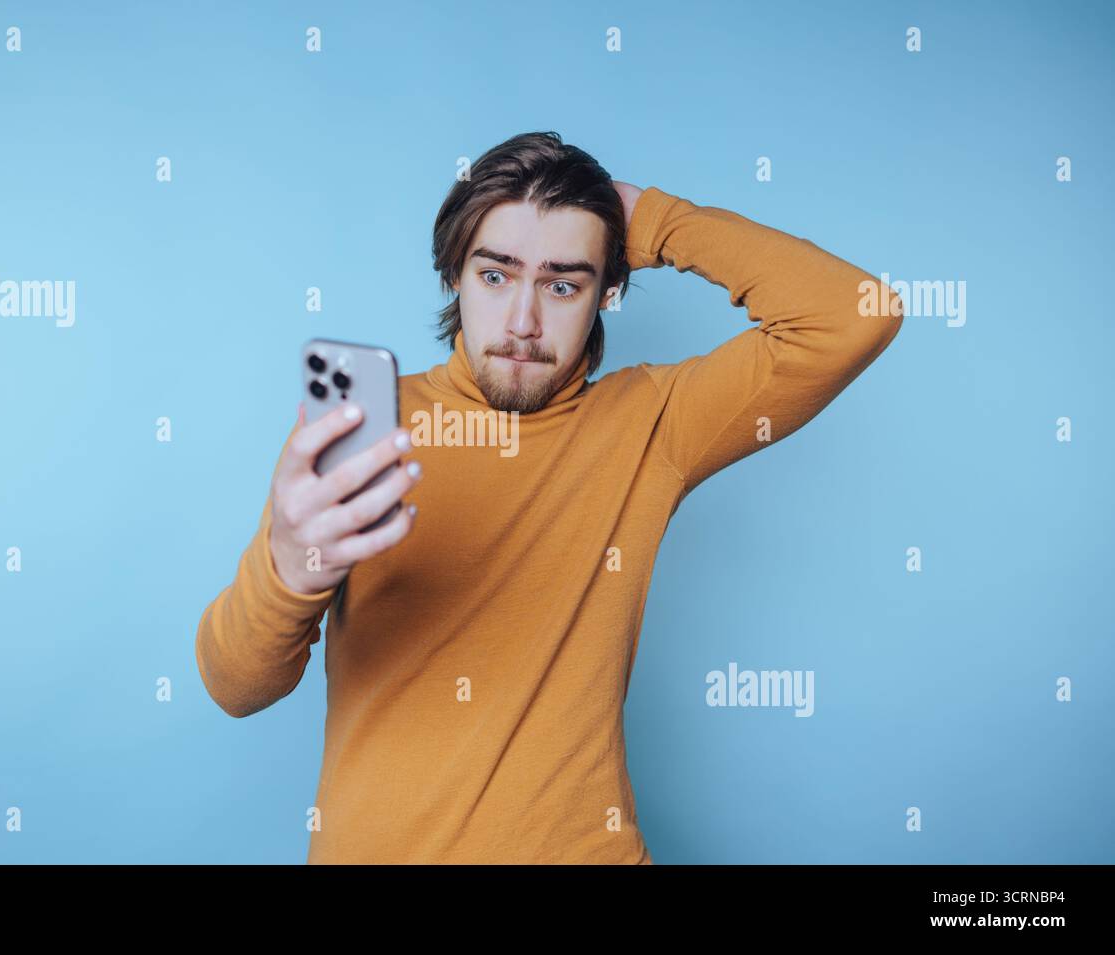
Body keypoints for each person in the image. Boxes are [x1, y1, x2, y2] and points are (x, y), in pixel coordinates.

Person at [195, 131, 903, 864]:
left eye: (563, 284)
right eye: (496, 275)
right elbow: (235, 684)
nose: (523, 322)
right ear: (454, 278)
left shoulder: (653, 424)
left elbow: (857, 314)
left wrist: (656, 219)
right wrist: (288, 572)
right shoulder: (363, 430)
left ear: (605, 293)